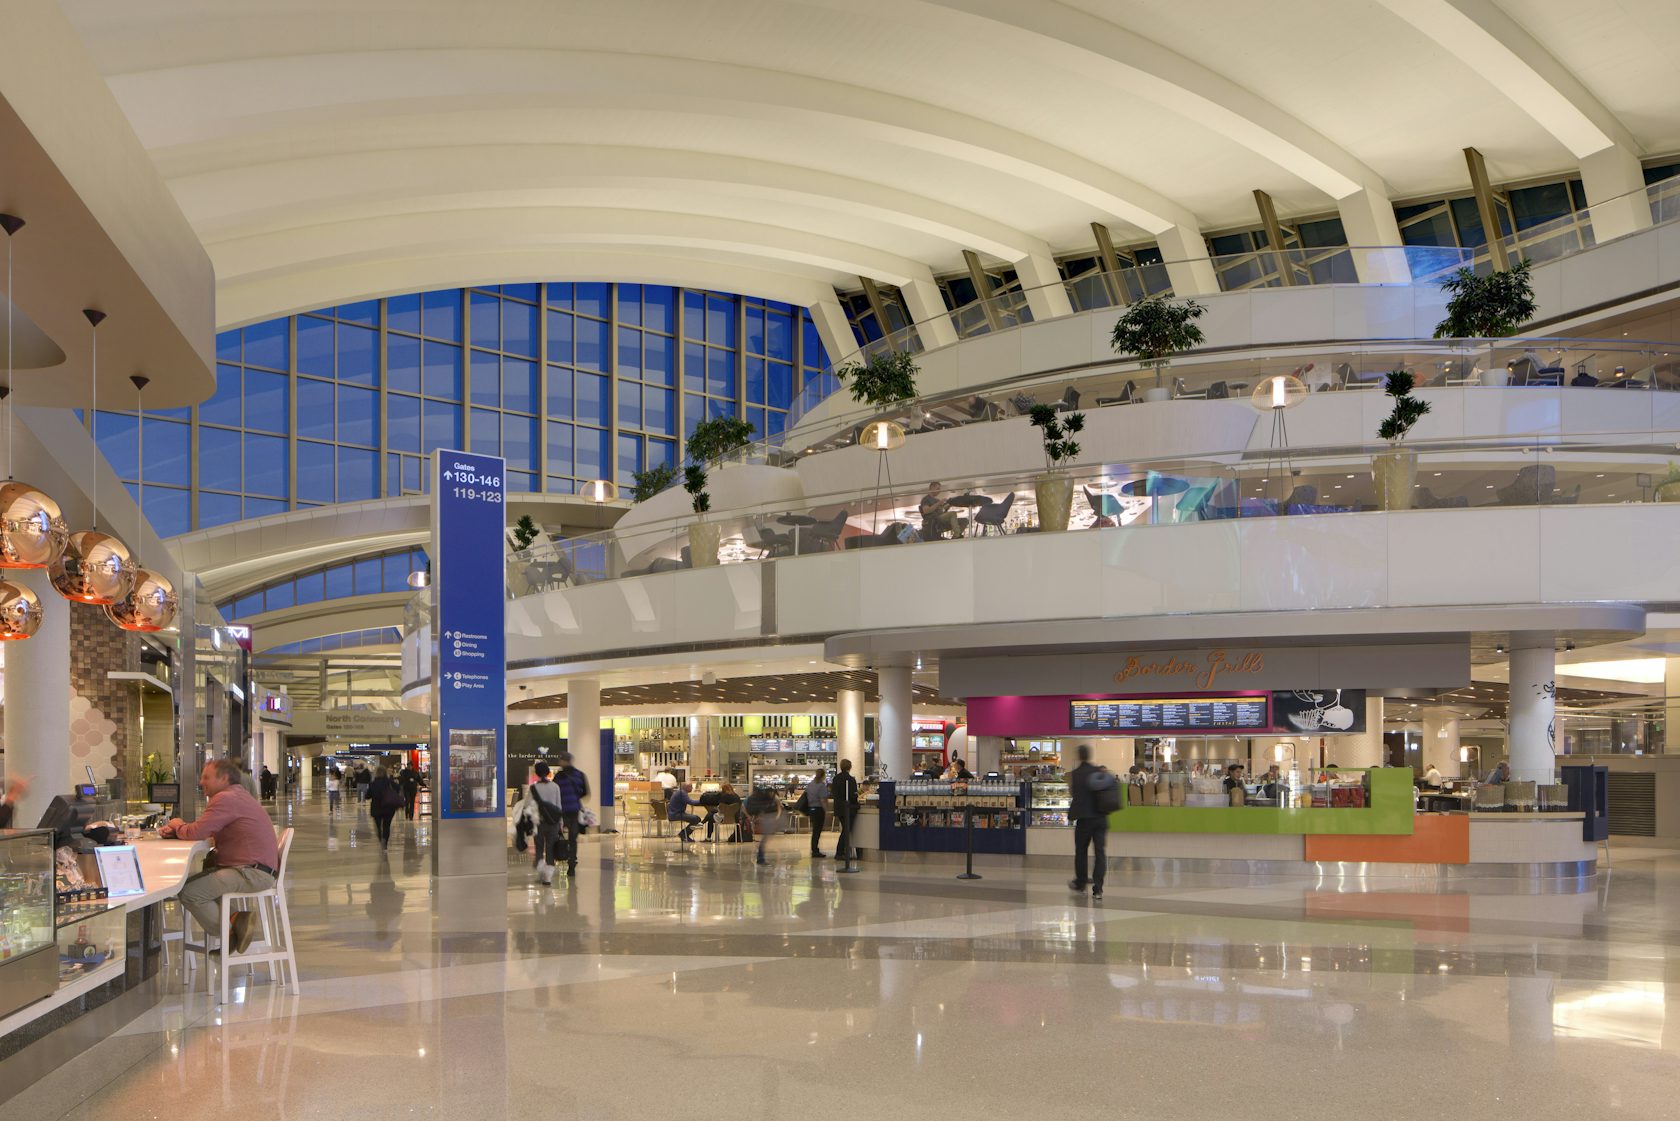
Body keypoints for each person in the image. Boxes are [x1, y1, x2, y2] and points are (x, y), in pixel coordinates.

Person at [161, 758, 280, 953]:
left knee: (190, 893)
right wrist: (180, 830)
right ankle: (237, 921)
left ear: (224, 778)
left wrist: (176, 824)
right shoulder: (236, 795)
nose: (201, 782)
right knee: (190, 883)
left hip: (251, 872)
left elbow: (196, 832)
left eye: (206, 777)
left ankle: (232, 931)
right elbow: (208, 829)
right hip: (252, 868)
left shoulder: (226, 798)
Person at [1067, 745, 1107, 900]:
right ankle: (1098, 889)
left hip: (1084, 819)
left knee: (1081, 851)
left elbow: (1074, 794)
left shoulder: (1076, 774)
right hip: (1100, 819)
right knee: (1100, 853)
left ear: (1079, 756)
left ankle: (1081, 883)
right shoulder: (1098, 772)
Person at [519, 763, 565, 884]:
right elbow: (558, 806)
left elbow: (527, 805)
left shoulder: (533, 788)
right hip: (553, 823)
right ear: (548, 772)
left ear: (537, 773)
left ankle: (541, 874)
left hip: (538, 823)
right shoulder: (555, 787)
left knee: (539, 848)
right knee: (550, 849)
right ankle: (548, 877)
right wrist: (561, 823)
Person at [550, 751, 590, 875]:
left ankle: (554, 860)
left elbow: (554, 792)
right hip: (574, 811)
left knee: (556, 836)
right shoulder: (580, 775)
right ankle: (572, 865)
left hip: (561, 811)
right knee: (573, 838)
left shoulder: (559, 776)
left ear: (564, 761)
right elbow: (585, 792)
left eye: (560, 760)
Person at [367, 765, 403, 850]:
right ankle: (385, 842)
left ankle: (380, 838)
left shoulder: (373, 784)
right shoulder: (390, 782)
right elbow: (398, 788)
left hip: (376, 808)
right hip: (389, 808)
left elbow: (367, 796)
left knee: (378, 826)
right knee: (387, 826)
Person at [831, 759, 860, 862]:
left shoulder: (835, 779)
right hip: (848, 809)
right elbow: (853, 795)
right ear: (850, 767)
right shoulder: (850, 779)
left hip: (839, 808)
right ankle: (840, 852)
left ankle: (842, 852)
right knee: (846, 831)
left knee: (845, 830)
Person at [744, 784, 779, 865]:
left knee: (763, 840)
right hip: (763, 821)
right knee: (763, 840)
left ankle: (760, 858)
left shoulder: (752, 798)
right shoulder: (764, 799)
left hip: (761, 820)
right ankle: (760, 859)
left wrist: (750, 817)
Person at [802, 768, 830, 858]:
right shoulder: (821, 786)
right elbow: (823, 800)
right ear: (823, 775)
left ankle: (814, 849)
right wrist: (826, 811)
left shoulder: (810, 785)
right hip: (818, 809)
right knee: (817, 831)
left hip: (811, 809)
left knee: (815, 830)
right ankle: (815, 850)